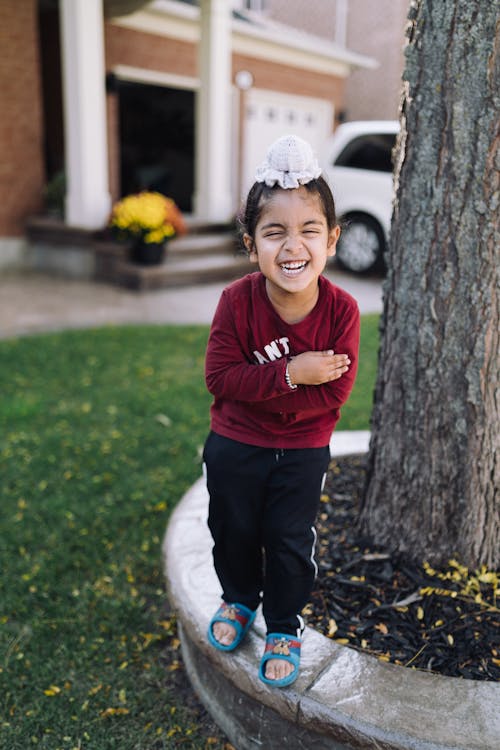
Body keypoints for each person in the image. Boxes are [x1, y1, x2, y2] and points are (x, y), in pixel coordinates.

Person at [203, 134, 360, 688]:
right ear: (252, 244)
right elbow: (219, 379)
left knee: (291, 540)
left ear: (332, 239)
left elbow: (333, 395)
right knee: (233, 529)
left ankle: (285, 626)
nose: (292, 246)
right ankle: (240, 599)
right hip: (234, 445)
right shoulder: (236, 301)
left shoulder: (342, 310)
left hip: (301, 452)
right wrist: (293, 372)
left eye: (308, 230)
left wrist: (262, 389)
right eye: (275, 232)